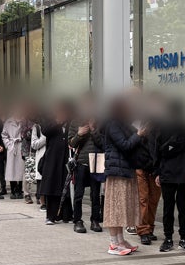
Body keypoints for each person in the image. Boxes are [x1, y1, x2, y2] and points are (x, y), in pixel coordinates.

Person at [154, 98, 185, 252]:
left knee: (168, 208)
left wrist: (157, 172)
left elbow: (156, 151)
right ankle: (183, 238)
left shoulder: (163, 127)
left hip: (167, 173)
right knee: (183, 209)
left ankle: (168, 239)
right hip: (184, 173)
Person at [102, 95, 146, 256]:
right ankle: (113, 243)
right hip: (117, 172)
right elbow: (124, 145)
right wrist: (138, 134)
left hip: (125, 170)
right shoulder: (112, 124)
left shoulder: (123, 123)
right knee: (115, 208)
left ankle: (120, 240)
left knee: (121, 208)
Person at [69, 97, 103, 233]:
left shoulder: (100, 121)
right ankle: (77, 220)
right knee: (79, 193)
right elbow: (71, 144)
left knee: (96, 194)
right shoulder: (75, 121)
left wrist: (93, 129)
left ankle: (95, 220)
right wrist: (79, 134)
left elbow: (103, 143)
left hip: (97, 161)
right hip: (81, 162)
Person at [133, 95, 163, 245]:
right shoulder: (140, 121)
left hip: (156, 167)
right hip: (140, 166)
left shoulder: (163, 123)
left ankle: (150, 228)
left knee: (153, 200)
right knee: (143, 199)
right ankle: (143, 230)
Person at [37, 103, 72, 225]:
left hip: (66, 159)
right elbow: (45, 131)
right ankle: (50, 216)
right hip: (52, 159)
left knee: (65, 187)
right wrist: (57, 122)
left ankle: (66, 215)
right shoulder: (51, 121)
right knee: (52, 187)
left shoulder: (70, 122)